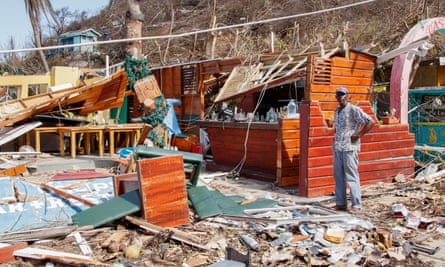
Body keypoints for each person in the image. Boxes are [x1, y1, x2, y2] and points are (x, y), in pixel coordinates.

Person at [332, 87, 375, 213]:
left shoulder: (353, 110)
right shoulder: (337, 111)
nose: (340, 97)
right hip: (338, 147)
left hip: (350, 148)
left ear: (347, 96)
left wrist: (359, 135)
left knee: (351, 176)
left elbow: (370, 121)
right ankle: (340, 203)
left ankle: (356, 204)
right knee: (338, 177)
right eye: (338, 95)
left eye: (343, 95)